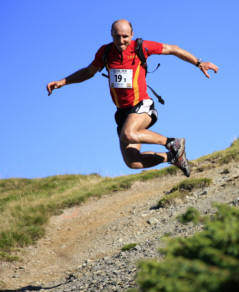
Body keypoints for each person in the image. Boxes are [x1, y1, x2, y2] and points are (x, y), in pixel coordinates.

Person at [47, 19, 218, 177]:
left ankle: (173, 143)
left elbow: (172, 48)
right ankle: (171, 157)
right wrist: (63, 81)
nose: (121, 41)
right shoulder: (105, 52)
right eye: (117, 36)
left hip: (142, 105)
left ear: (132, 35)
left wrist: (198, 63)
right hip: (122, 112)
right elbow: (88, 71)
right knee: (133, 161)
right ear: (111, 35)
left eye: (125, 36)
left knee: (128, 134)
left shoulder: (141, 47)